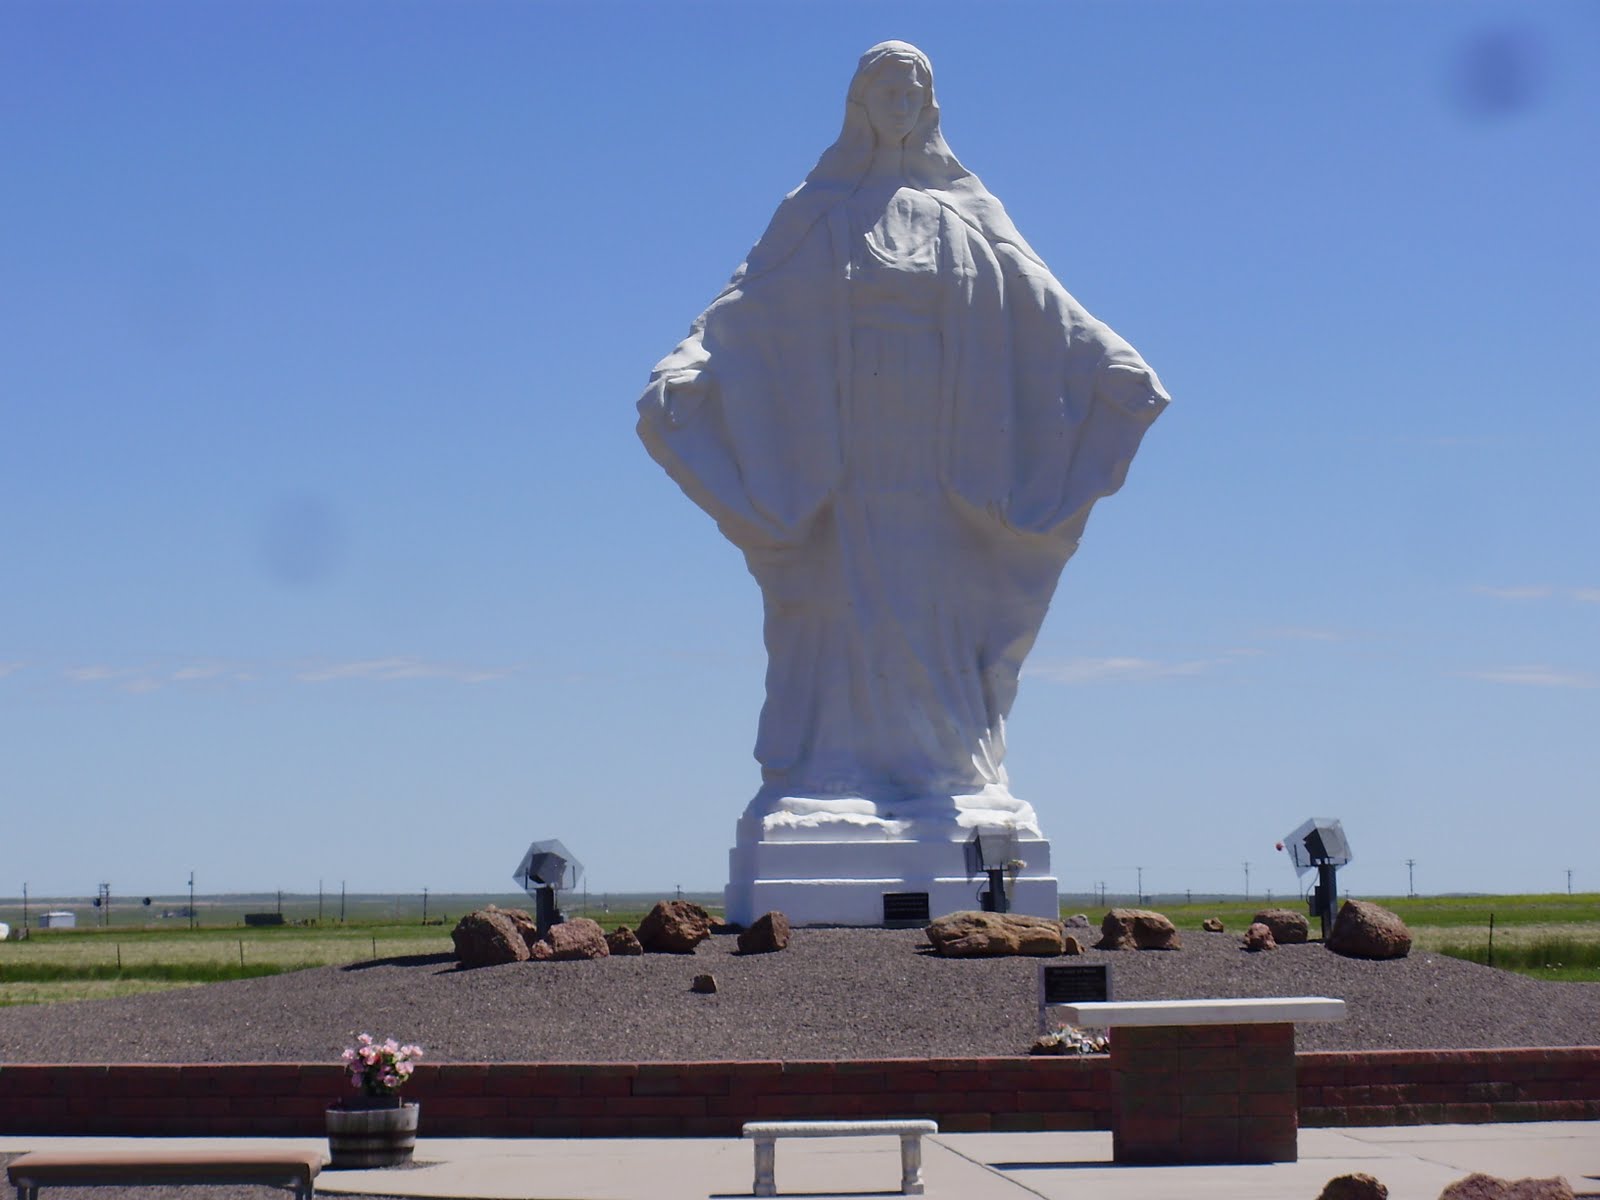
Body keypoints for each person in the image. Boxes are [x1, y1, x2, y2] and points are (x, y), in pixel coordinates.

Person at [638, 41, 1168, 845]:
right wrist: (693, 360)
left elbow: (1044, 302)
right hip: (846, 448)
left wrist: (1109, 361)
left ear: (929, 105)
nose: (899, 95)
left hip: (943, 447)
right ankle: (832, 767)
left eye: (912, 85)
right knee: (841, 595)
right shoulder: (819, 212)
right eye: (885, 83)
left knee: (934, 595)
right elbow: (745, 305)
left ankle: (942, 768)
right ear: (860, 99)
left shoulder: (967, 211)